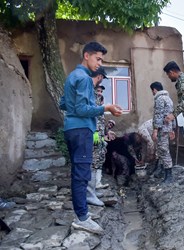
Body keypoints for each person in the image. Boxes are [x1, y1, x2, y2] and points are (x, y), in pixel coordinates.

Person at [59, 41, 122, 234]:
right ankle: (82, 217)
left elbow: (63, 104)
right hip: (81, 130)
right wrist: (107, 107)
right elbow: (82, 109)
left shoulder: (72, 76)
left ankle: (82, 213)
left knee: (78, 172)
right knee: (81, 175)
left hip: (71, 129)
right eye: (98, 58)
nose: (99, 63)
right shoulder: (85, 78)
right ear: (86, 56)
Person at [87, 67, 109, 207]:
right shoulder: (91, 95)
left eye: (101, 90)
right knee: (93, 161)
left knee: (99, 158)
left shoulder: (99, 99)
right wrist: (95, 132)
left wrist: (106, 131)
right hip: (94, 133)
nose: (100, 91)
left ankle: (94, 189)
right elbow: (92, 115)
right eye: (99, 89)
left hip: (99, 134)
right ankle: (90, 193)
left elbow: (100, 119)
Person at [150, 81, 175, 184]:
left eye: (152, 90)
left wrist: (155, 130)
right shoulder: (168, 99)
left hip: (162, 129)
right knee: (162, 150)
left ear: (155, 89)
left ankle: (169, 175)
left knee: (163, 150)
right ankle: (161, 171)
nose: (152, 93)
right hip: (167, 128)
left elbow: (159, 115)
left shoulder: (160, 99)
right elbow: (172, 115)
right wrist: (172, 129)